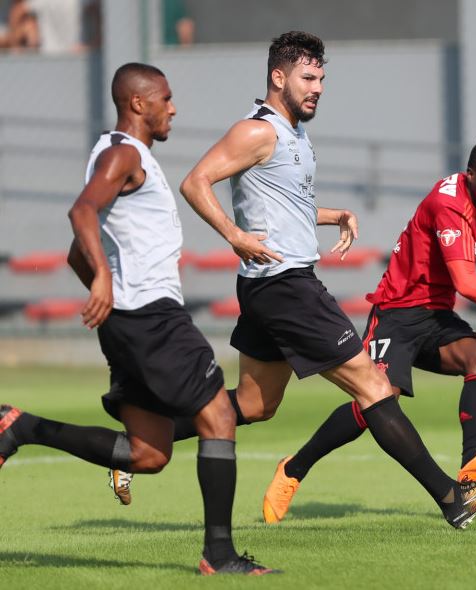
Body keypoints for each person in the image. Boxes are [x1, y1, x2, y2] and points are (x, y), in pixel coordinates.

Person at [172, 30, 476, 530]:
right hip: (286, 285)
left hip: (269, 285)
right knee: (374, 386)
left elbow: (285, 206)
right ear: (278, 77)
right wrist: (234, 234)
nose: (317, 88)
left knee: (254, 404)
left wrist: (334, 215)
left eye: (321, 79)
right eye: (308, 78)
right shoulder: (257, 131)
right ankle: (452, 498)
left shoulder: (294, 135)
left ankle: (143, 438)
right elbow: (194, 181)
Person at [0, 63, 277, 576]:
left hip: (131, 321)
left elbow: (76, 253)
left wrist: (108, 291)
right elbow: (81, 214)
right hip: (153, 319)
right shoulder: (123, 153)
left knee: (149, 454)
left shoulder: (120, 156)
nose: (173, 108)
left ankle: (21, 427)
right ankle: (219, 555)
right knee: (219, 416)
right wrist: (107, 282)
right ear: (137, 104)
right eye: (165, 99)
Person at [261, 138, 476, 523]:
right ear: (471, 175)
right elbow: (466, 282)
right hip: (396, 313)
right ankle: (294, 468)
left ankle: (472, 465)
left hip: (435, 314)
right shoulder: (450, 205)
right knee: (377, 401)